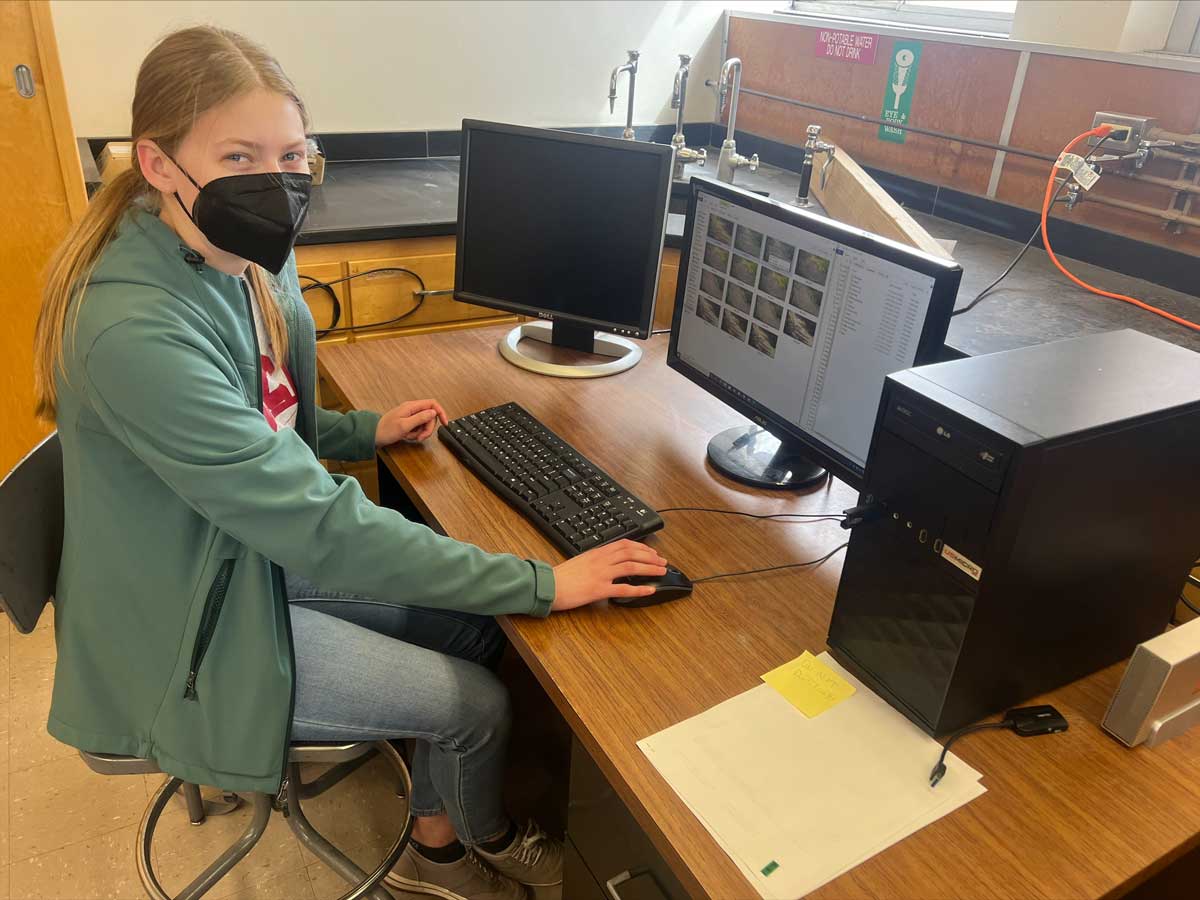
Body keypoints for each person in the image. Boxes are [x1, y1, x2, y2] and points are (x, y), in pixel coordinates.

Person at [32, 25, 668, 900]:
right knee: (479, 700)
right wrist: (547, 582)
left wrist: (358, 431)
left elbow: (258, 414)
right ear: (156, 162)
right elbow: (317, 525)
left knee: (478, 630)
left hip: (224, 550)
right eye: (240, 154)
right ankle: (463, 848)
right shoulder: (135, 325)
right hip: (183, 622)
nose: (277, 180)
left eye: (293, 153)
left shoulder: (227, 255)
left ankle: (434, 817)